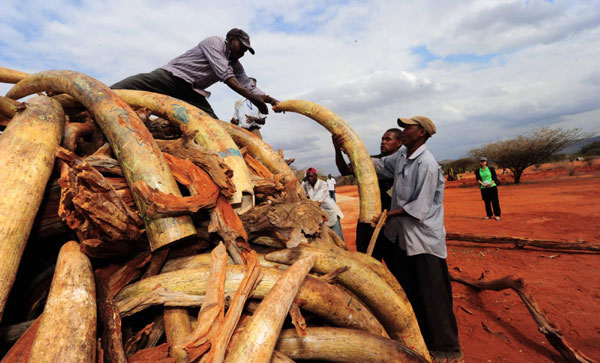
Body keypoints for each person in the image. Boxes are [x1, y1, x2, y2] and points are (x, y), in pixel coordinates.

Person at [372, 116, 462, 362]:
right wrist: (344, 147)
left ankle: (449, 348)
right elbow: (378, 166)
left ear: (421, 132)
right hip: (402, 238)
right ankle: (422, 339)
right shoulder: (401, 157)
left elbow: (419, 208)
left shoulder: (427, 164)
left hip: (423, 240)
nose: (403, 130)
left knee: (434, 295)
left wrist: (387, 214)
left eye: (407, 127)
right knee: (412, 291)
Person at [111, 28, 279, 119]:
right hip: (170, 78)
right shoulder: (214, 42)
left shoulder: (236, 65)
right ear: (230, 39)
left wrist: (270, 100)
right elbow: (225, 75)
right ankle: (93, 99)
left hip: (190, 92)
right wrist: (252, 98)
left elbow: (247, 85)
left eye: (246, 50)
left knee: (213, 124)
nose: (242, 51)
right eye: (241, 46)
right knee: (124, 89)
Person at [333, 128, 403, 255]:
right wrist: (337, 149)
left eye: (388, 139)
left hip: (392, 220)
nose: (383, 142)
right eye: (382, 139)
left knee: (396, 262)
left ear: (399, 143)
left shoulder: (404, 163)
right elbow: (345, 171)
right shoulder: (370, 161)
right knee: (368, 258)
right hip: (369, 220)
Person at [302, 167, 344, 241]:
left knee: (338, 239)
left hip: (331, 214)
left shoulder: (323, 184)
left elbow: (316, 200)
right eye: (308, 177)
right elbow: (300, 192)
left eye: (311, 176)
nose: (310, 178)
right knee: (327, 241)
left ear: (316, 176)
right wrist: (303, 182)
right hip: (321, 217)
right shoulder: (306, 185)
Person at [475, 157, 501, 221]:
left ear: (486, 162)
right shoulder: (477, 170)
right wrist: (483, 184)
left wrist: (490, 183)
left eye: (484, 161)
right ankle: (489, 215)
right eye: (481, 161)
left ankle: (497, 215)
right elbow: (478, 179)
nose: (483, 162)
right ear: (479, 163)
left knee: (495, 201)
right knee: (487, 202)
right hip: (484, 188)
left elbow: (494, 177)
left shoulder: (491, 169)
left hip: (492, 187)